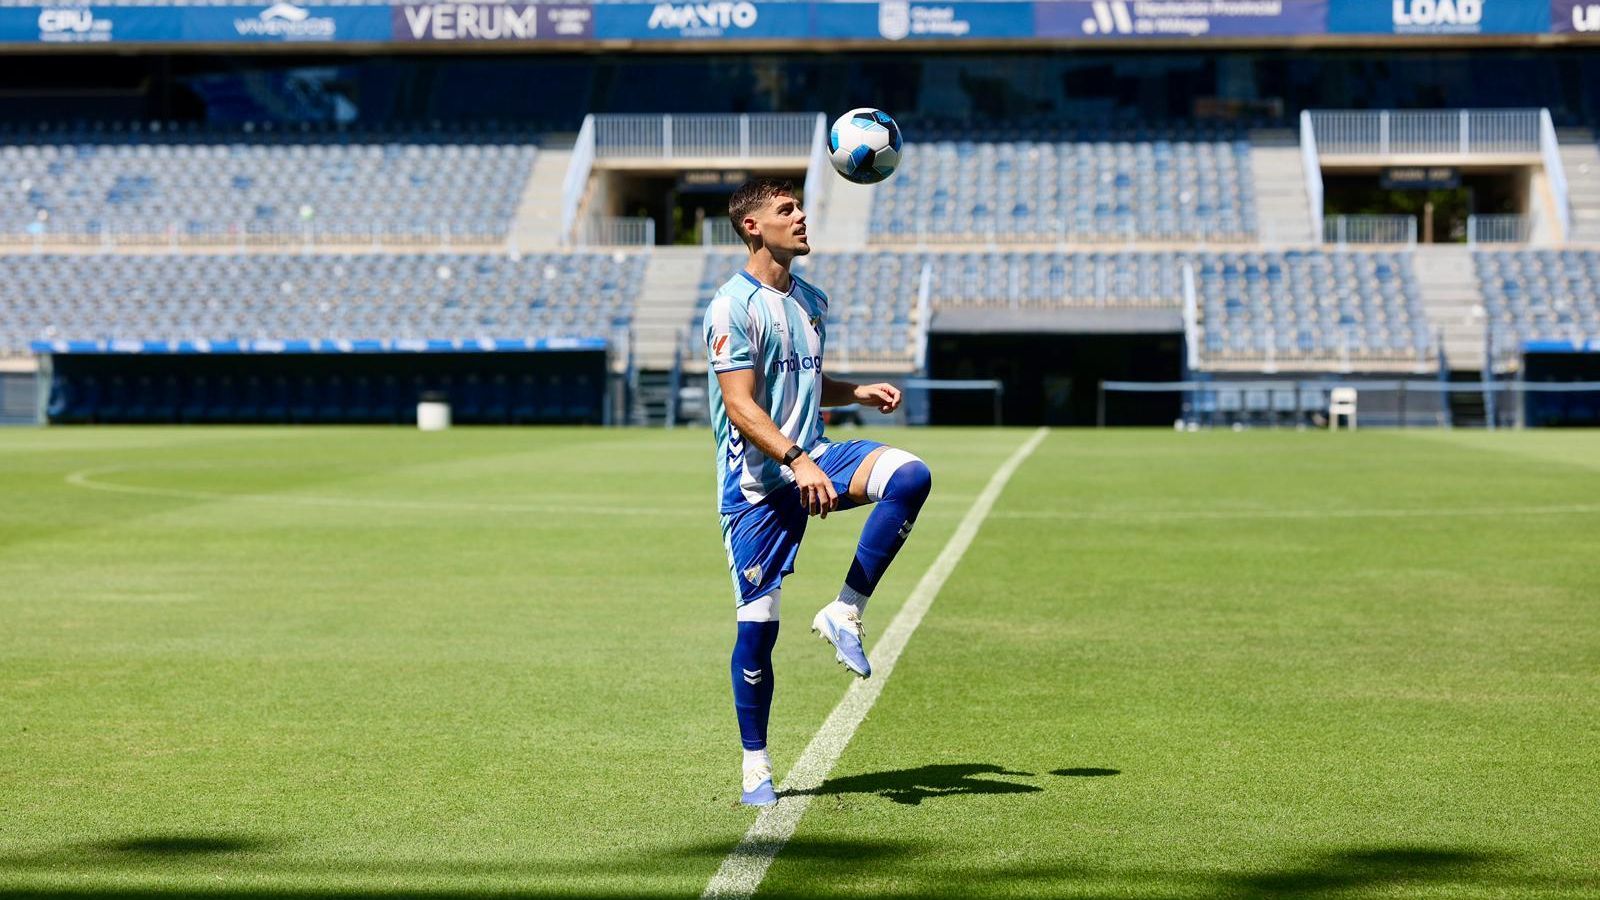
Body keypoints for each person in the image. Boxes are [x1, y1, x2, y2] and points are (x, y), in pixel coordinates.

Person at [703, 177, 933, 807]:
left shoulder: (811, 299)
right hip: (757, 487)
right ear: (753, 226)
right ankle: (756, 764)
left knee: (910, 475)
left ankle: (845, 610)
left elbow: (803, 377)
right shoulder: (731, 305)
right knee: (759, 629)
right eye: (786, 210)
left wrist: (853, 391)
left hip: (815, 456)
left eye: (800, 207)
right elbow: (742, 405)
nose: (802, 217)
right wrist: (798, 460)